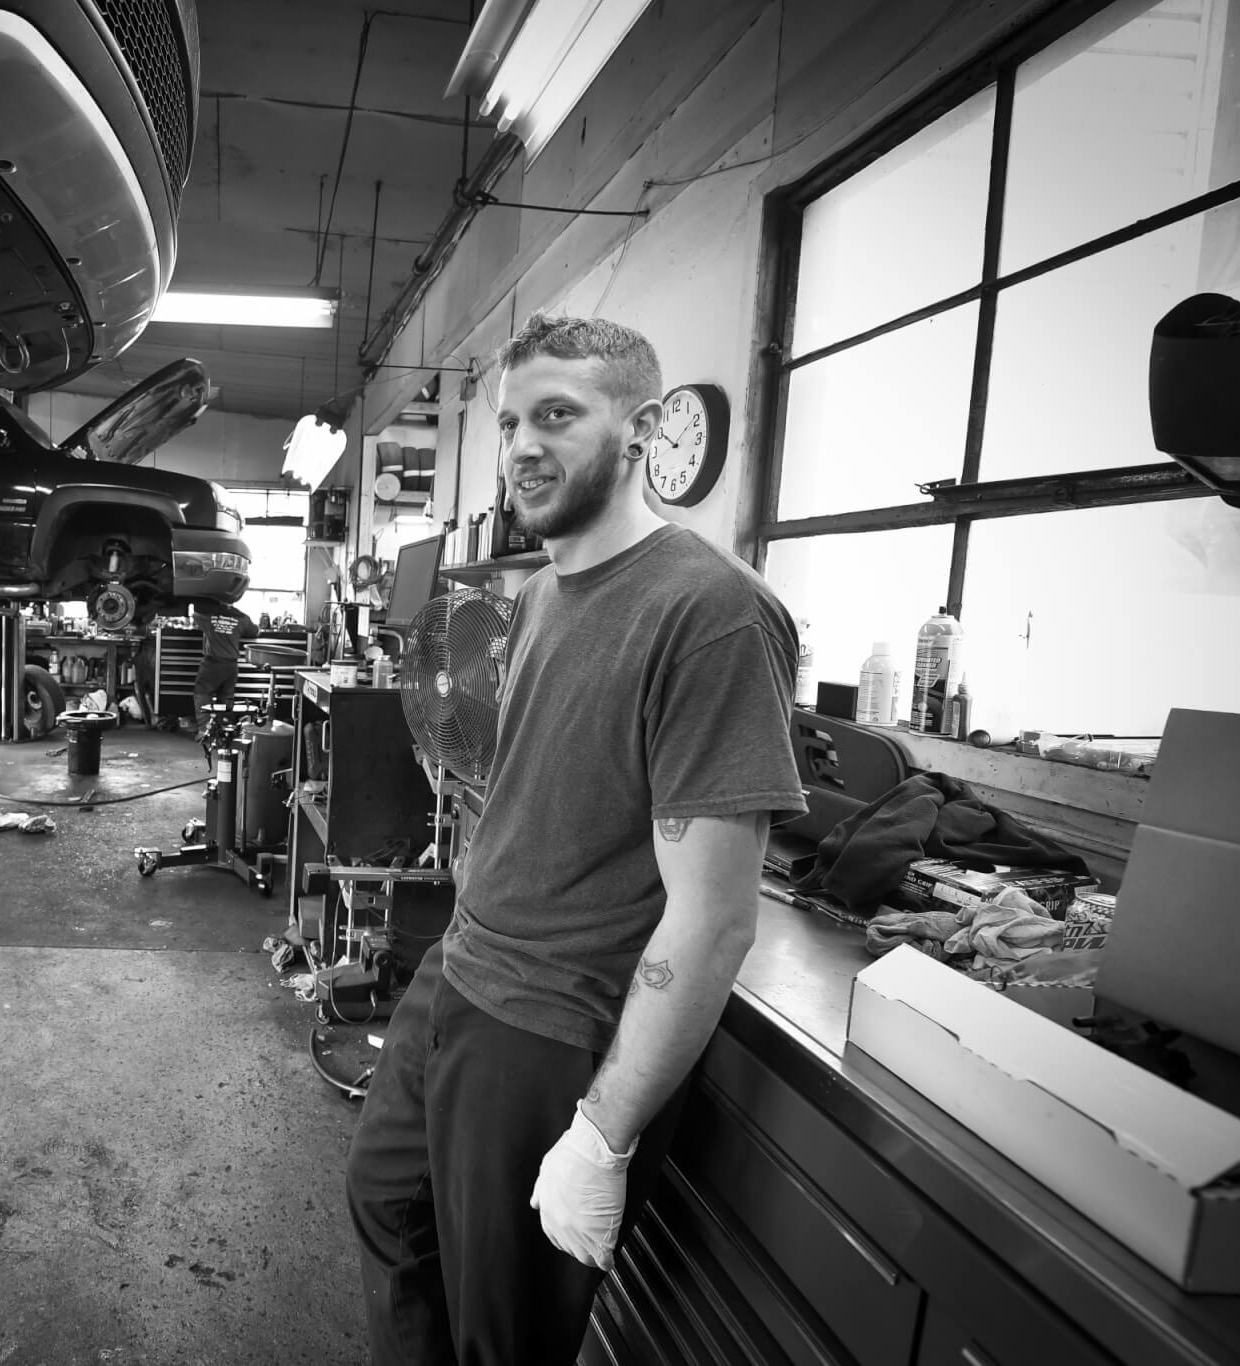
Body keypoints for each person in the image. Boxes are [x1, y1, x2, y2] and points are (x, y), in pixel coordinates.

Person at [345, 313, 806, 1364]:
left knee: (500, 1332)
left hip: (548, 1024)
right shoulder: (543, 594)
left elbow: (713, 917)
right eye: (508, 421)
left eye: (556, 414)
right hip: (461, 975)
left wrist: (600, 1134)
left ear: (639, 429)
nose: (520, 446)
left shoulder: (712, 613)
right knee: (383, 1204)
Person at [189, 596, 256, 714]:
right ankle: (222, 727)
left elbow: (193, 615)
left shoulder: (207, 616)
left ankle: (205, 728)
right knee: (226, 697)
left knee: (202, 693)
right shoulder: (242, 618)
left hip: (212, 664)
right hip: (231, 666)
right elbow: (255, 631)